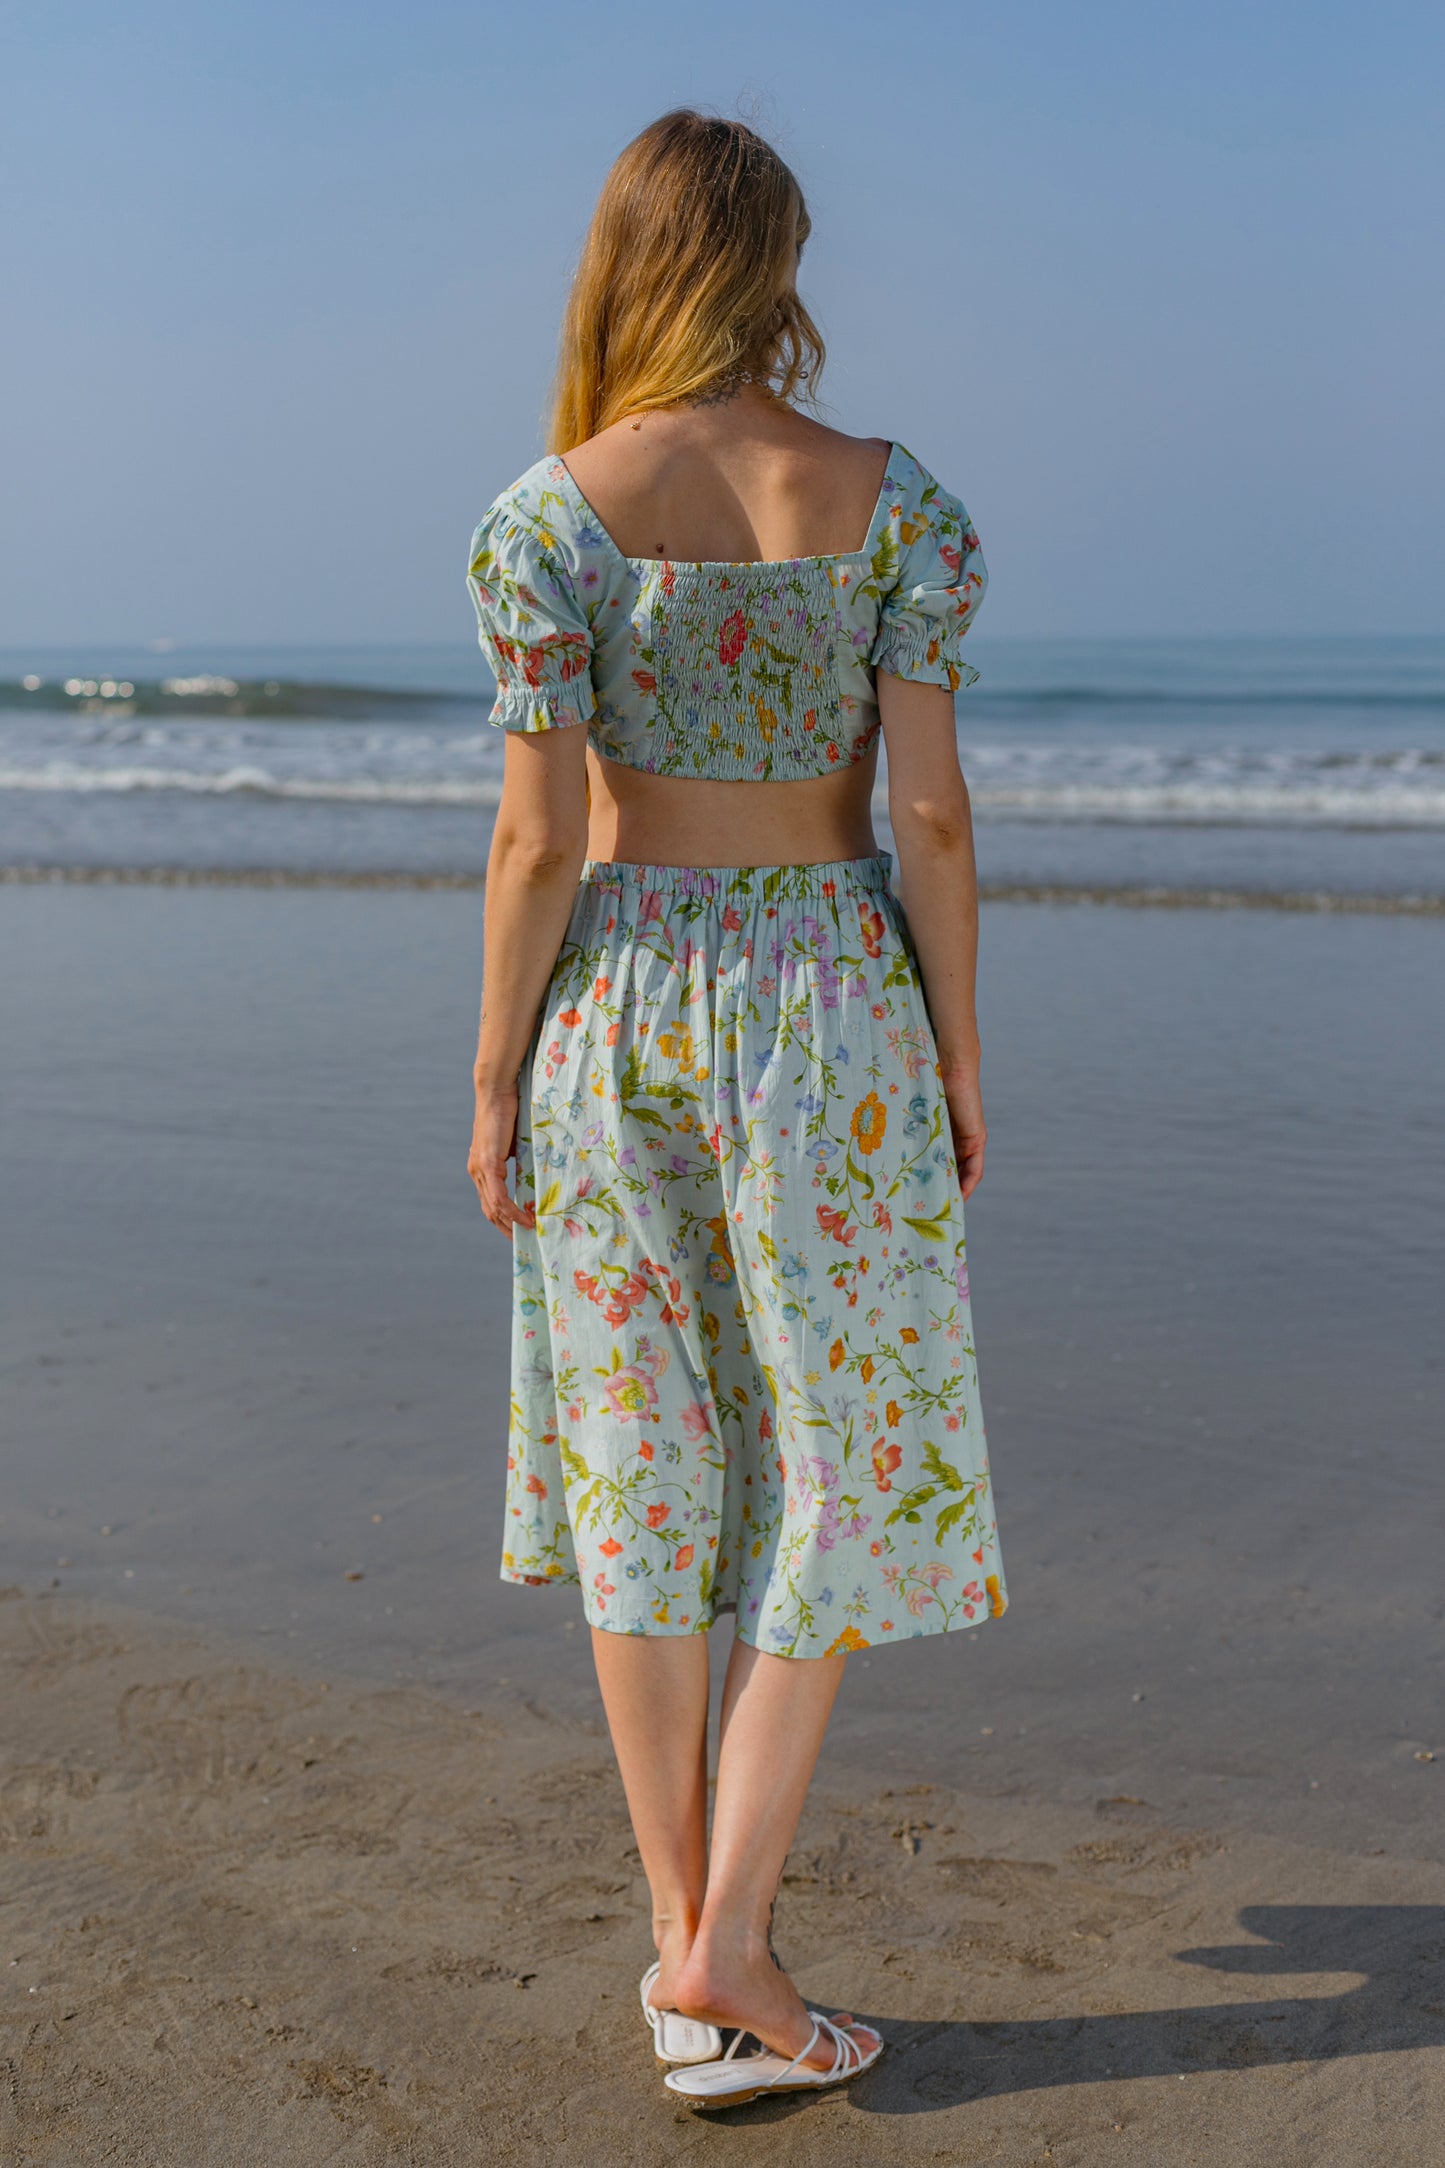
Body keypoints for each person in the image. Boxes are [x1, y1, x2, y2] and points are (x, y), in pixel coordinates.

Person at [465, 107, 1007, 2111]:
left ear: (625, 261)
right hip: (835, 1016)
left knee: (645, 1466)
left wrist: (496, 1070)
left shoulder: (545, 520)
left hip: (616, 1009)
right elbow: (930, 816)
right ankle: (721, 1949)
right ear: (777, 262)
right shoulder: (898, 506)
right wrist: (958, 1048)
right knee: (842, 1463)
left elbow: (537, 843)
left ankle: (693, 1947)